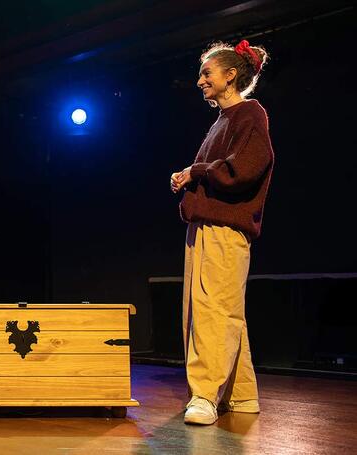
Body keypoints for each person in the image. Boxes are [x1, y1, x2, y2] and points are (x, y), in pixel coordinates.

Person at [170, 39, 274, 425]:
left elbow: (244, 168)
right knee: (217, 311)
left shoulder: (250, 114)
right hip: (205, 225)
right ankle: (240, 395)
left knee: (214, 312)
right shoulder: (223, 121)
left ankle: (205, 395)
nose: (200, 81)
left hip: (226, 227)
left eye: (207, 73)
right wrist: (189, 176)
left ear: (231, 76)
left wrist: (197, 172)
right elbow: (218, 167)